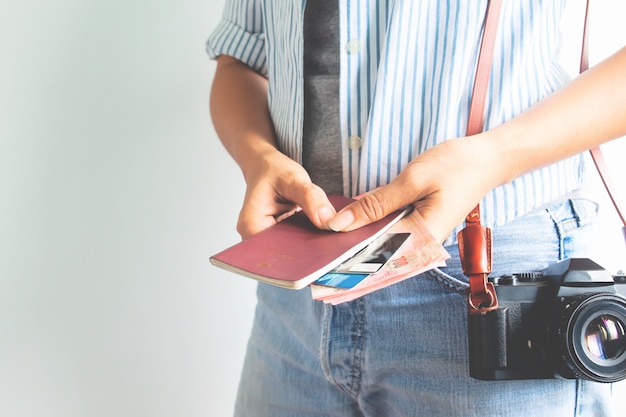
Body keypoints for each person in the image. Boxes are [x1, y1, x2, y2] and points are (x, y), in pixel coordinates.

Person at [207, 1, 626, 416]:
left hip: (490, 281)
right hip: (298, 293)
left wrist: (496, 156)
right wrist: (256, 154)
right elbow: (241, 59)